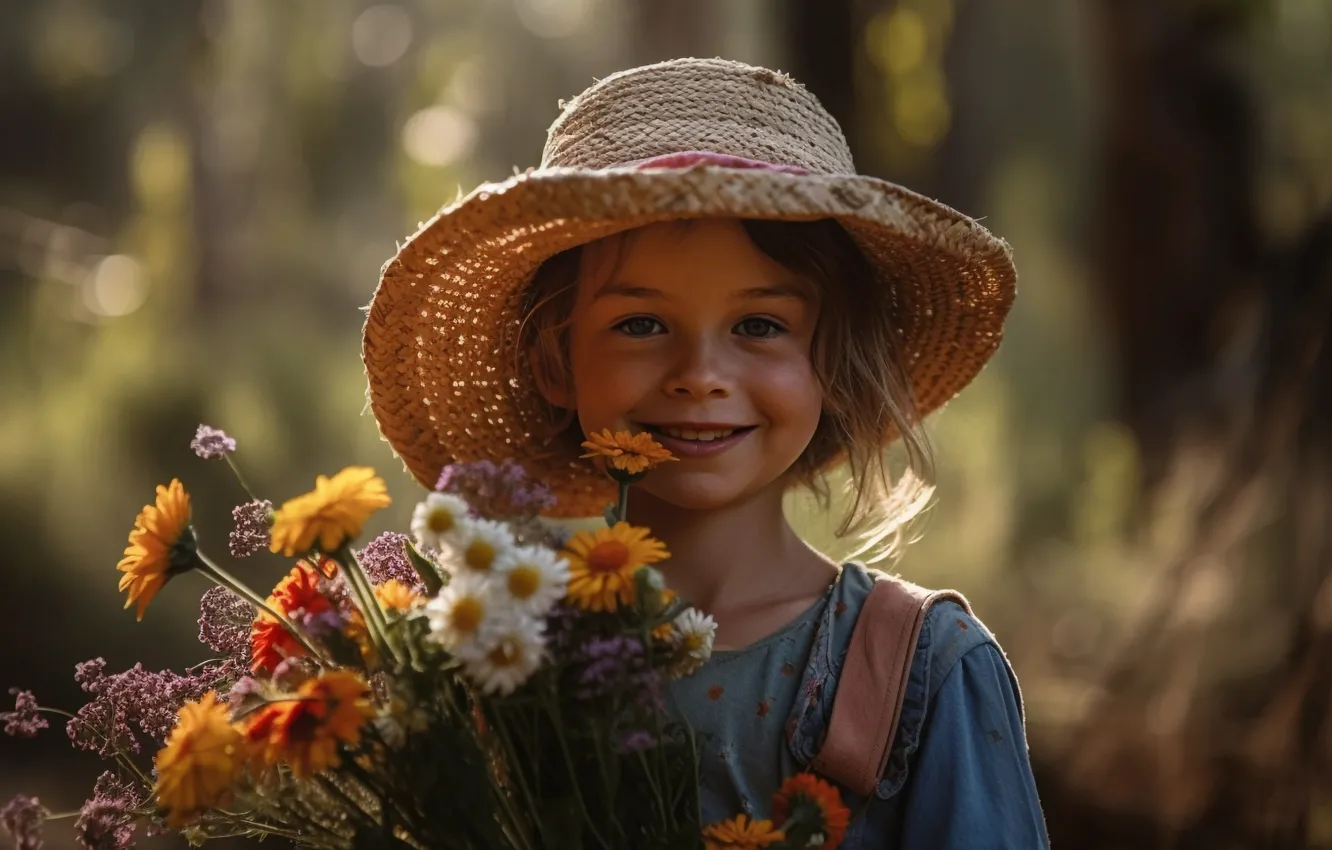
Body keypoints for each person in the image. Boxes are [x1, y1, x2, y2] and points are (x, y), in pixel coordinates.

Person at [363, 57, 1049, 848]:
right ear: (554, 360)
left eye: (759, 326)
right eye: (641, 325)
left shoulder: (923, 671)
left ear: (834, 360)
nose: (699, 378)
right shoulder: (490, 656)